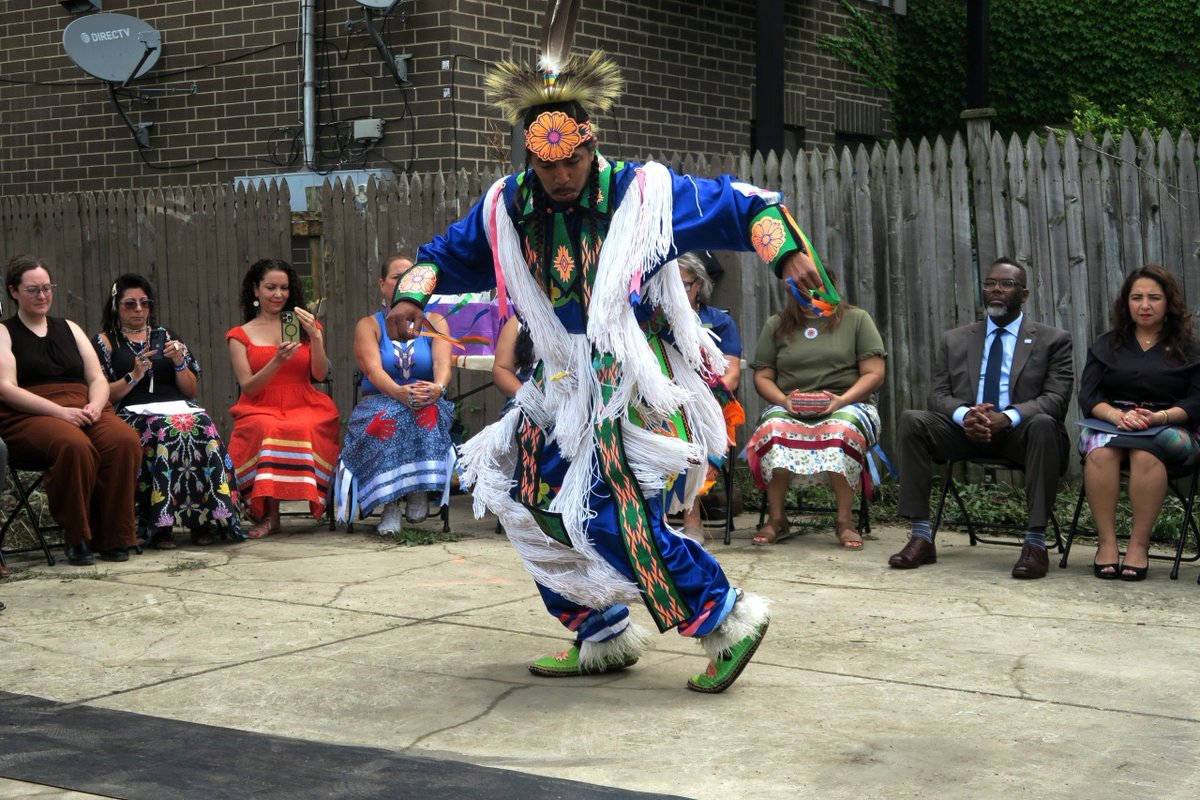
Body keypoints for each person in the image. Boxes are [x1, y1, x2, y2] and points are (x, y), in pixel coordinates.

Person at [384, 25, 824, 693]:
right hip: (556, 380)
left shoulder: (644, 193)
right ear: (530, 158)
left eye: (572, 161)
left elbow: (745, 205)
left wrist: (787, 252)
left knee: (605, 514)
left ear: (592, 142)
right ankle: (601, 633)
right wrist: (413, 294)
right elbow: (443, 254)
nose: (561, 176)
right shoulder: (509, 206)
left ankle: (724, 617)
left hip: (625, 377)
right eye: (546, 165)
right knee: (526, 500)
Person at [889, 258, 1074, 579]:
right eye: (989, 284)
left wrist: (1009, 417)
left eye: (1006, 284)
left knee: (1045, 423)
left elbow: (1056, 399)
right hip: (966, 431)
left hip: (1022, 435)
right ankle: (921, 536)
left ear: (1025, 294)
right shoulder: (956, 339)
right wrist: (964, 415)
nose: (996, 290)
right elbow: (938, 394)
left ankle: (1035, 543)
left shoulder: (1052, 339)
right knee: (912, 419)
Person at [0, 254, 141, 565]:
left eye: (47, 288)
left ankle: (114, 536)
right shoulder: (4, 333)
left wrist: (95, 403)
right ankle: (77, 536)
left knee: (124, 441)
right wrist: (59, 412)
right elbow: (6, 388)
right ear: (13, 292)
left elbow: (97, 378)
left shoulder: (70, 328)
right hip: (30, 414)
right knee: (73, 445)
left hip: (84, 406)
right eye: (33, 290)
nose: (42, 296)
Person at [94, 274, 242, 548]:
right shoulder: (106, 342)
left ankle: (204, 518)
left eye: (144, 303)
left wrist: (178, 363)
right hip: (131, 411)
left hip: (176, 406)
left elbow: (190, 390)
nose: (139, 309)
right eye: (130, 304)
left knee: (201, 424)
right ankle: (160, 524)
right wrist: (134, 376)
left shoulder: (167, 336)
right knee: (165, 430)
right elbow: (103, 393)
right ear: (116, 306)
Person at [1077, 265, 1200, 581]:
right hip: (1113, 423)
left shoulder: (1190, 348)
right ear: (1126, 303)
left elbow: (1196, 401)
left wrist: (1158, 417)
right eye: (1137, 297)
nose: (1144, 305)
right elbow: (1089, 396)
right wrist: (1119, 416)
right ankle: (1106, 543)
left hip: (1172, 427)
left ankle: (1138, 545)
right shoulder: (1107, 345)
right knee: (1101, 454)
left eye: (1154, 298)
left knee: (1146, 453)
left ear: (1168, 303)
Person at [746, 277, 886, 549]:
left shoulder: (857, 319)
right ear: (791, 291)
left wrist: (841, 400)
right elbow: (763, 376)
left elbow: (874, 373)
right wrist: (783, 401)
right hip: (789, 405)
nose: (810, 294)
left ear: (832, 288)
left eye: (818, 287)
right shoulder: (777, 324)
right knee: (772, 429)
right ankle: (777, 519)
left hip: (848, 403)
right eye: (802, 289)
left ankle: (845, 521)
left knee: (840, 432)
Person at [334, 254, 455, 533]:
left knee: (427, 412)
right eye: (396, 278)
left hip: (427, 400)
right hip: (379, 400)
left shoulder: (436, 322)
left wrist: (438, 388)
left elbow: (442, 366)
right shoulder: (370, 325)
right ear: (382, 284)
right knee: (389, 416)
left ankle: (418, 490)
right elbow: (373, 371)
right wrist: (400, 393)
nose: (403, 284)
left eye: (410, 278)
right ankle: (391, 504)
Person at [227, 258, 339, 538]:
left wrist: (316, 337)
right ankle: (270, 515)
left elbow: (320, 373)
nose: (278, 294)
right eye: (271, 287)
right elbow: (249, 388)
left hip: (303, 400)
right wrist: (276, 362)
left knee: (302, 426)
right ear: (256, 290)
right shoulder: (240, 336)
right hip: (259, 404)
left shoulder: (303, 325)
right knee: (270, 429)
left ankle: (312, 502)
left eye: (284, 288)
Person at [677, 252, 743, 545]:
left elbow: (733, 374)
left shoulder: (718, 322)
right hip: (664, 403)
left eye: (685, 285)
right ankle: (656, 521)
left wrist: (703, 400)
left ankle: (692, 522)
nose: (678, 292)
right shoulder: (654, 322)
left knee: (691, 430)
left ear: (699, 284)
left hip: (709, 405)